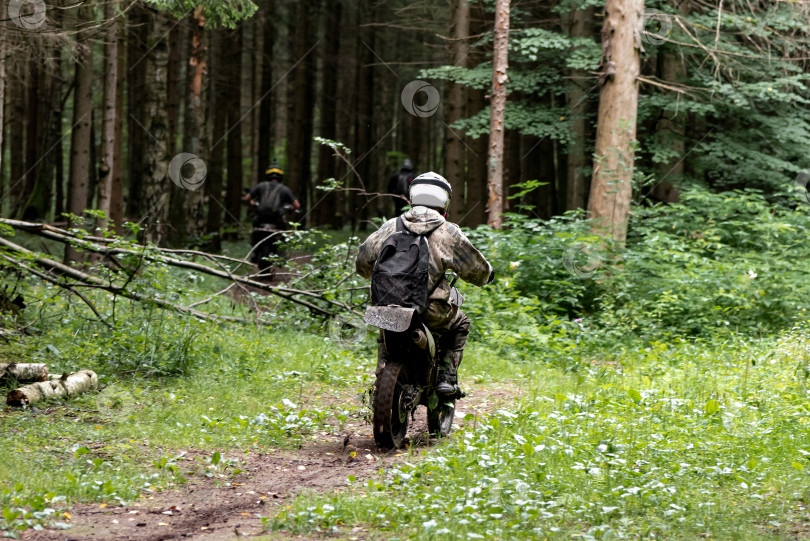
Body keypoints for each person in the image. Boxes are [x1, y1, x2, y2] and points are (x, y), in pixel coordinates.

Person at [355, 172, 494, 397]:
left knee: (386, 335)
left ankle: (381, 377)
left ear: (412, 196)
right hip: (430, 311)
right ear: (445, 201)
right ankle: (447, 379)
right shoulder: (448, 231)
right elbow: (476, 271)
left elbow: (362, 263)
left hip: (385, 307)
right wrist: (488, 276)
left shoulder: (391, 225)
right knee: (460, 324)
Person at [243, 163, 300, 271]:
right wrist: (291, 210)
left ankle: (255, 254)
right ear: (281, 177)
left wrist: (251, 202)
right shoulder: (285, 189)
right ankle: (280, 256)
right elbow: (297, 205)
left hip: (260, 220)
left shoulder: (260, 186)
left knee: (254, 233)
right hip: (277, 221)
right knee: (282, 236)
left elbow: (247, 198)